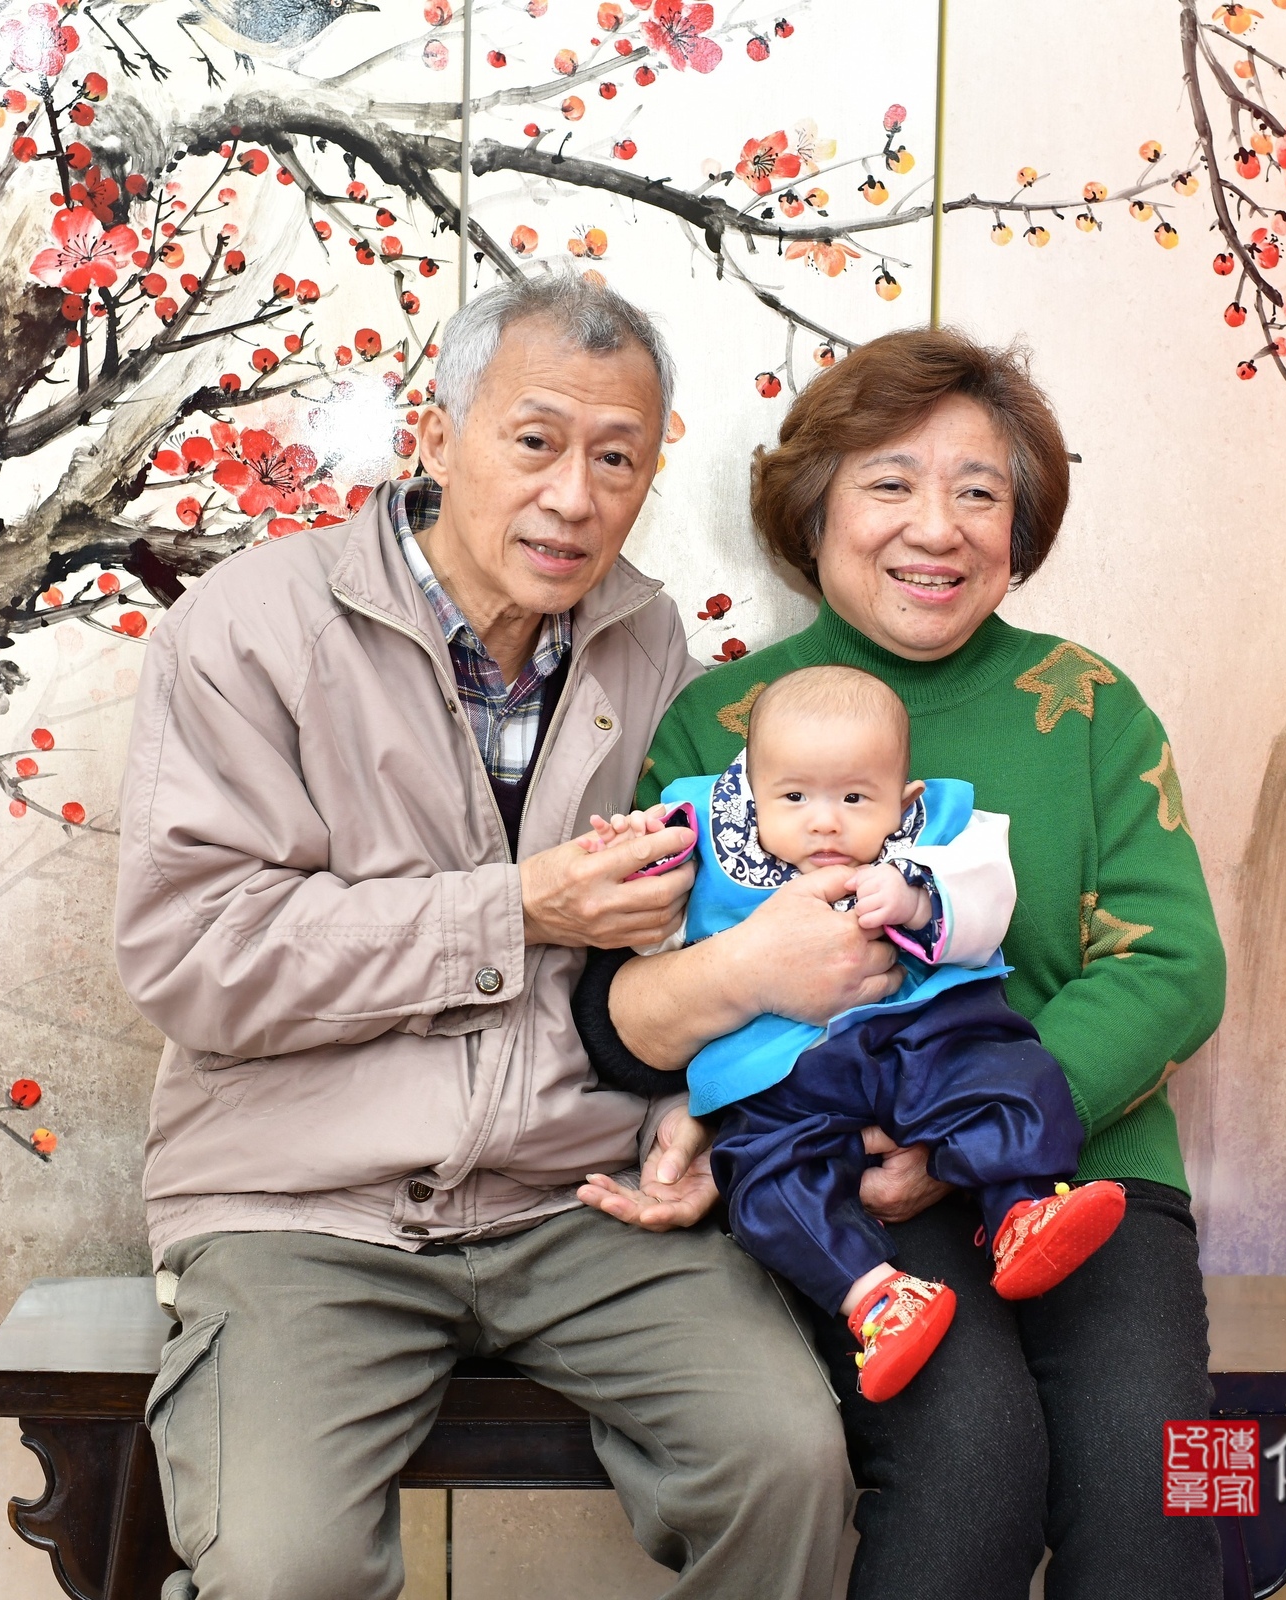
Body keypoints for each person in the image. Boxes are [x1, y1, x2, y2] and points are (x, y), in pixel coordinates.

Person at [113, 272, 850, 1600]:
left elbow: (699, 942)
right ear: (437, 433)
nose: (574, 495)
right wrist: (515, 907)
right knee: (285, 1568)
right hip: (302, 1203)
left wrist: (694, 1116)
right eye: (536, 441)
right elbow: (196, 956)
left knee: (788, 1462)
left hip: (579, 1200)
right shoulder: (248, 628)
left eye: (616, 458)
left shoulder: (651, 656)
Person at [573, 328, 1229, 1599]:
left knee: (1169, 1477)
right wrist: (704, 1108)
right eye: (890, 483)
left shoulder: (1089, 703)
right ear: (815, 508)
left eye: (979, 492)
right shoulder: (722, 724)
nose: (938, 527)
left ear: (1018, 529)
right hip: (852, 1182)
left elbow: (1173, 966)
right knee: (971, 1457)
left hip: (1089, 1167)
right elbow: (639, 980)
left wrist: (977, 1125)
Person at [583, 663, 1127, 1404]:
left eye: (854, 798)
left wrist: (915, 898)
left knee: (1009, 1072)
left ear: (902, 798)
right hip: (779, 1074)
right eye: (794, 797)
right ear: (748, 792)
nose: (825, 822)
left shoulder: (935, 829)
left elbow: (988, 900)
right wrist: (639, 855)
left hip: (921, 1037)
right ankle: (875, 1298)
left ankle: (1022, 1208)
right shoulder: (707, 830)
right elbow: (646, 934)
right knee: (761, 1179)